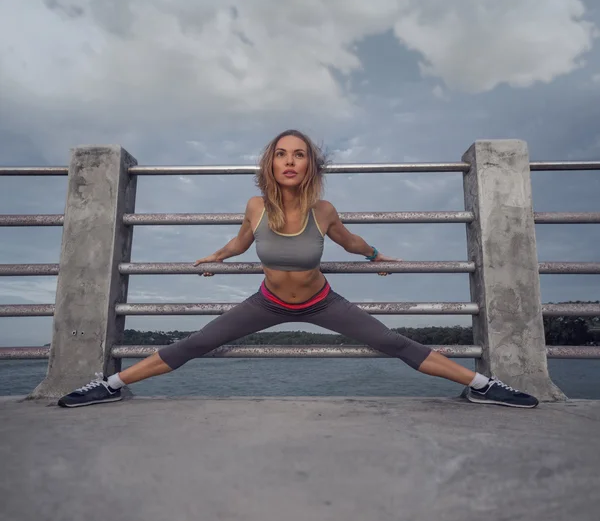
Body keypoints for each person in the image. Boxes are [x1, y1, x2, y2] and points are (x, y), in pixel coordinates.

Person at [58, 129, 539, 409]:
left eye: (299, 154)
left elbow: (348, 241)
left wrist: (375, 257)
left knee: (394, 343)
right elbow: (244, 241)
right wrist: (218, 257)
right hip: (266, 303)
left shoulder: (323, 210)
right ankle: (109, 386)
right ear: (271, 163)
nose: (290, 161)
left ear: (310, 165)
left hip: (321, 302)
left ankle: (483, 386)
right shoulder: (254, 204)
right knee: (195, 343)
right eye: (282, 154)